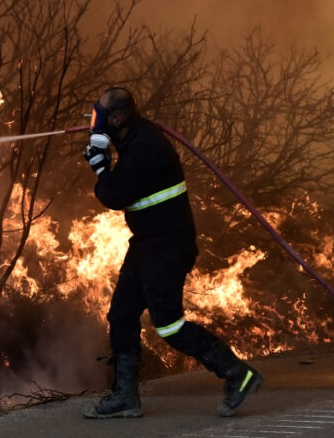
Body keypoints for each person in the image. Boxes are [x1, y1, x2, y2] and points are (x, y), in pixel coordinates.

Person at [81, 86, 262, 419]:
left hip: (168, 246)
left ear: (118, 118)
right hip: (148, 242)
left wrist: (101, 167)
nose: (95, 123)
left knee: (168, 325)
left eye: (100, 118)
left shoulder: (146, 147)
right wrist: (107, 151)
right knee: (122, 315)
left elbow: (114, 195)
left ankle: (239, 374)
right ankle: (125, 397)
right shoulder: (135, 137)